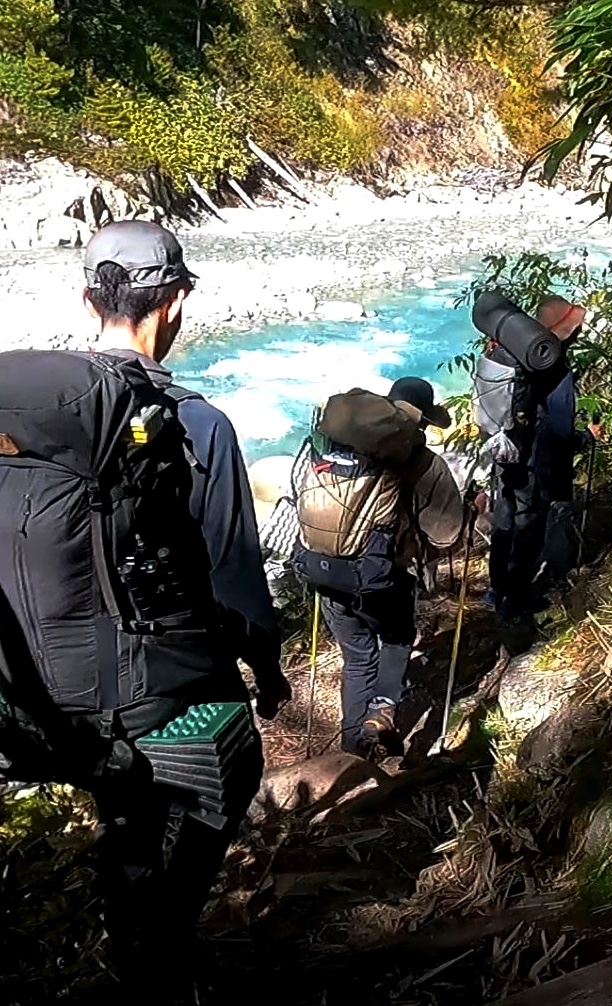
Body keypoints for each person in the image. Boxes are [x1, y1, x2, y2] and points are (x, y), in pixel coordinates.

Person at [79, 221, 292, 1001]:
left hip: (39, 686)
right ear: (174, 303)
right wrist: (265, 671)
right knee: (228, 773)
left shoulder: (31, 419)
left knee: (121, 802)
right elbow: (235, 572)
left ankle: (126, 931)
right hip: (152, 683)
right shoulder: (194, 423)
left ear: (86, 299)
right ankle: (159, 952)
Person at [312, 377, 466, 757]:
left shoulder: (339, 447)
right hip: (382, 575)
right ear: (424, 421)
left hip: (324, 569)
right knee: (396, 638)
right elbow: (446, 535)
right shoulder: (424, 462)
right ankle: (382, 709)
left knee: (357, 656)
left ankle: (352, 751)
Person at [488, 294, 604, 620]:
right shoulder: (552, 366)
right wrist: (585, 438)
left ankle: (496, 592)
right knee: (528, 530)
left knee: (504, 522)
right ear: (565, 330)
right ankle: (515, 604)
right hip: (531, 462)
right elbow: (559, 431)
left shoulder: (512, 351)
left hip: (504, 452)